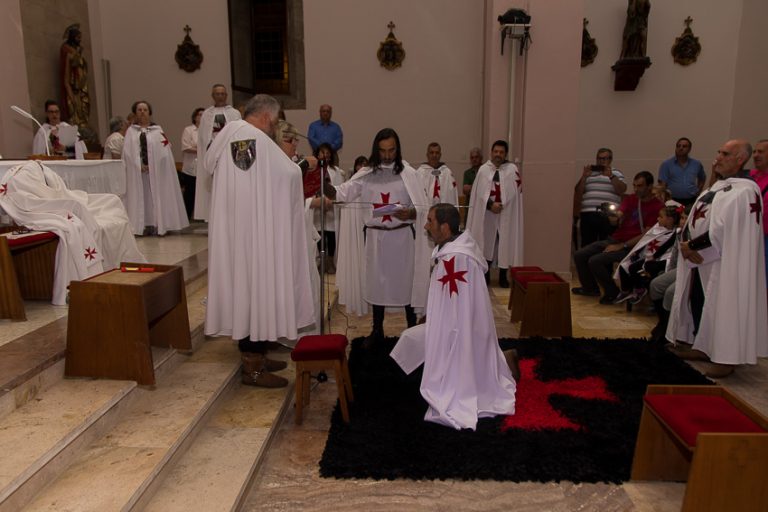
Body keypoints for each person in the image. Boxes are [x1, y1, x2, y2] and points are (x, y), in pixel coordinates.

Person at [204, 94, 314, 388]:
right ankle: (252, 367)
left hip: (240, 229)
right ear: (267, 117)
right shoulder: (255, 138)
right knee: (253, 292)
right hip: (253, 232)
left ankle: (259, 357)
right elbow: (287, 174)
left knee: (250, 291)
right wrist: (304, 164)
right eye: (275, 121)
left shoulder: (230, 134)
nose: (274, 127)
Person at [390, 203, 516, 430]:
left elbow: (455, 308)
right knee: (410, 341)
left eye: (430, 221)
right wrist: (431, 316)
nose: (426, 226)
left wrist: (437, 328)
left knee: (410, 341)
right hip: (463, 326)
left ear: (445, 227)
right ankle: (500, 361)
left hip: (458, 331)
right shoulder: (457, 249)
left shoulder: (456, 258)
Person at [667, 139, 768, 378]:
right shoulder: (721, 187)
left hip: (725, 262)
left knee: (723, 303)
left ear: (740, 159)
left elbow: (727, 229)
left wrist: (693, 246)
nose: (718, 157)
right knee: (701, 300)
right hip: (702, 258)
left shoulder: (746, 191)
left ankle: (726, 357)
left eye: (725, 154)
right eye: (718, 152)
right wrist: (687, 242)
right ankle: (704, 346)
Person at [327, 128, 431, 343]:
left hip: (402, 238)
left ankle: (411, 328)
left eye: (391, 150)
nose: (386, 155)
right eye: (382, 151)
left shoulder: (409, 175)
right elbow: (341, 193)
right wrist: (321, 183)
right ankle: (377, 330)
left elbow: (423, 207)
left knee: (406, 283)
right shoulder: (366, 175)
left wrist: (411, 213)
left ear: (397, 149)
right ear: (376, 149)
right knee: (377, 283)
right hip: (376, 240)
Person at [572, 171, 664, 304]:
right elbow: (618, 216)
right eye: (635, 185)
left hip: (633, 246)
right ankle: (590, 288)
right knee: (580, 254)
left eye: (640, 186)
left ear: (650, 186)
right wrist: (613, 217)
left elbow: (646, 235)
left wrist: (622, 246)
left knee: (595, 260)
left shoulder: (657, 207)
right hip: (616, 238)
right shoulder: (631, 199)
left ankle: (612, 292)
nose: (636, 189)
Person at [122, 100, 189, 236]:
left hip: (156, 173)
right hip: (138, 173)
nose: (142, 112)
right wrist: (138, 165)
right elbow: (127, 153)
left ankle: (158, 224)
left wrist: (153, 165)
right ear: (135, 113)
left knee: (155, 196)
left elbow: (164, 152)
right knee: (141, 197)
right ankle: (141, 225)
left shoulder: (157, 131)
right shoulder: (131, 132)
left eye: (145, 110)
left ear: (150, 113)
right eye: (139, 110)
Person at [465, 140, 524, 288]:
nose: (498, 155)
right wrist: (491, 205)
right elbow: (478, 193)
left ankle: (503, 277)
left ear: (505, 154)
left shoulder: (512, 170)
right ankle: (486, 276)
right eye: (496, 151)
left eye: (501, 152)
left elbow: (515, 192)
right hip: (487, 214)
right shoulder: (484, 170)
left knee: (505, 243)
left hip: (506, 213)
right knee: (486, 242)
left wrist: (503, 204)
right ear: (491, 152)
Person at [613, 201, 682, 305]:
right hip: (649, 256)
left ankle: (639, 289)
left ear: (670, 219)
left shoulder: (675, 233)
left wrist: (653, 257)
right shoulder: (657, 229)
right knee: (624, 266)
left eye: (660, 217)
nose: (657, 219)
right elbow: (645, 242)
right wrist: (637, 253)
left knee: (636, 269)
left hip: (660, 259)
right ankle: (626, 291)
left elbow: (664, 248)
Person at [194, 84, 242, 221]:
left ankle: (231, 216)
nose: (220, 96)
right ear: (213, 96)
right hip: (212, 156)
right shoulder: (207, 115)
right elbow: (203, 137)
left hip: (229, 156)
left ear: (226, 96)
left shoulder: (234, 113)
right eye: (217, 94)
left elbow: (238, 134)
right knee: (214, 187)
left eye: (222, 94)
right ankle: (214, 217)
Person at [574, 148, 627, 247]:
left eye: (604, 159)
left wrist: (611, 176)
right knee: (587, 245)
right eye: (599, 158)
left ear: (610, 160)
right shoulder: (589, 174)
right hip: (588, 214)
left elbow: (622, 189)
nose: (601, 161)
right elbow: (578, 191)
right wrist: (584, 177)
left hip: (608, 215)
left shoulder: (616, 173)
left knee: (606, 245)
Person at [308, 143, 343, 273]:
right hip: (317, 207)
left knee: (331, 237)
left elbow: (338, 189)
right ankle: (321, 262)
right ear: (317, 154)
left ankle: (330, 262)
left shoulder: (336, 171)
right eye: (322, 152)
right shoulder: (313, 170)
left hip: (331, 208)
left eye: (327, 153)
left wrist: (330, 201)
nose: (325, 155)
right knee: (320, 235)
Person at [657, 137, 706, 207]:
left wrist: (698, 191)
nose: (681, 148)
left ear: (689, 149)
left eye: (684, 146)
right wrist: (664, 200)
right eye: (678, 146)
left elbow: (702, 178)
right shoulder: (666, 164)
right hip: (672, 201)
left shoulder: (696, 164)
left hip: (691, 201)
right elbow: (662, 185)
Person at [60, 24, 89, 127]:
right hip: (73, 89)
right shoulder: (68, 52)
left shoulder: (78, 52)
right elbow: (66, 77)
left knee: (84, 113)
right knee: (76, 113)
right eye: (78, 38)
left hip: (82, 89)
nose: (79, 40)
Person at [179, 107, 204, 219]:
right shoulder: (188, 130)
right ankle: (187, 218)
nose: (201, 117)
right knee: (190, 194)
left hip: (203, 168)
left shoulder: (208, 130)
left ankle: (203, 217)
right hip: (190, 168)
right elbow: (186, 147)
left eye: (204, 115)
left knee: (204, 194)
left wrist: (196, 148)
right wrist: (201, 149)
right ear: (195, 117)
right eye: (199, 114)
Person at [750, 139, 768, 288]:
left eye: (760, 152)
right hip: (751, 237)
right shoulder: (750, 177)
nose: (755, 155)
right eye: (754, 151)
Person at [417, 142, 458, 206]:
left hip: (444, 212)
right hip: (426, 212)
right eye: (431, 152)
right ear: (427, 155)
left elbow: (452, 195)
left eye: (437, 153)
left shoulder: (447, 173)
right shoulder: (420, 173)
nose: (434, 155)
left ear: (440, 155)